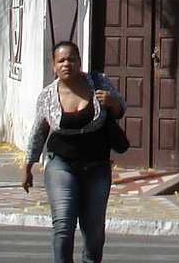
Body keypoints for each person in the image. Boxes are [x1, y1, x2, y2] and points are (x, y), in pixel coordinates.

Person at [21, 41, 126, 263]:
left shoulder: (99, 83)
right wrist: (28, 166)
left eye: (71, 59)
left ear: (79, 62)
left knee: (94, 230)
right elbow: (38, 132)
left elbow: (121, 109)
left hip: (96, 166)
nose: (66, 64)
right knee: (63, 224)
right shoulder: (47, 96)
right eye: (61, 60)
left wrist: (113, 102)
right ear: (54, 66)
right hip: (61, 164)